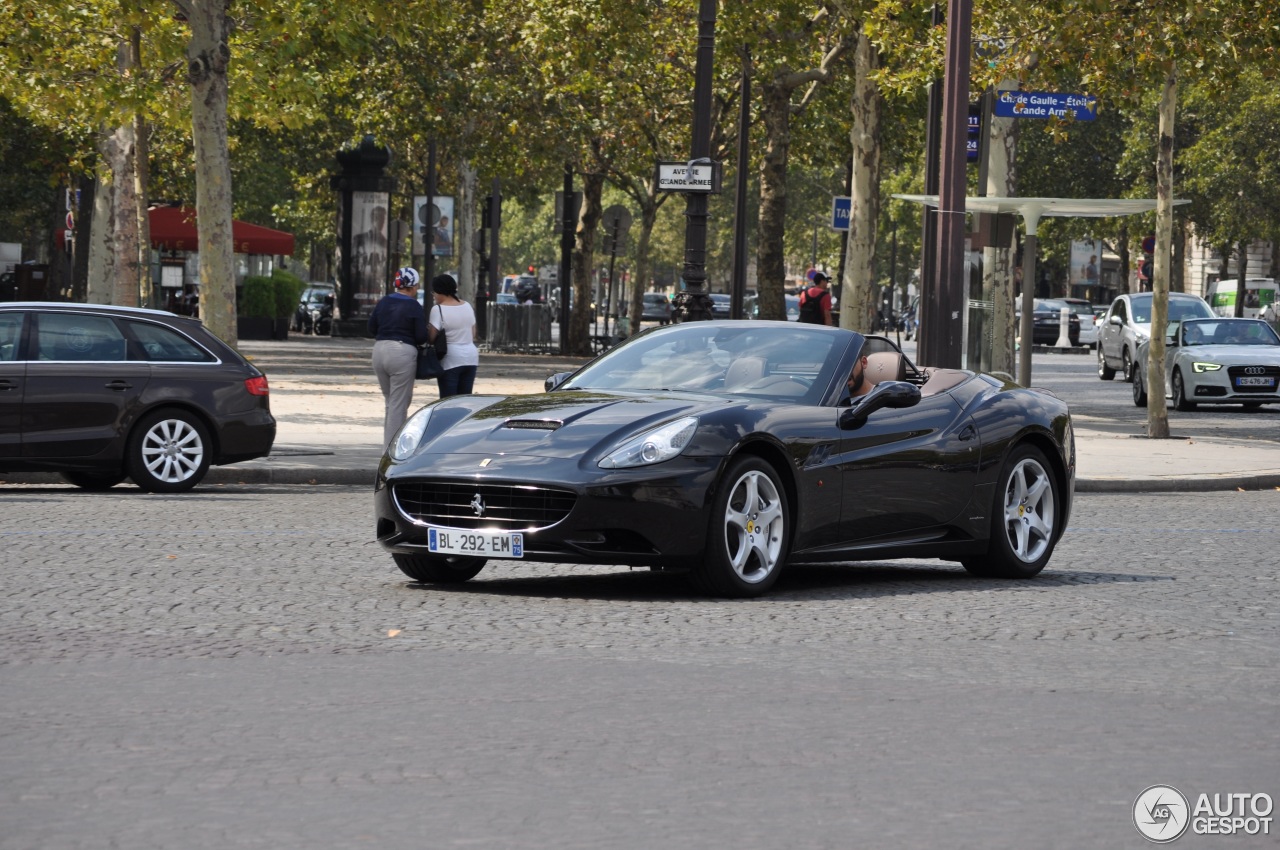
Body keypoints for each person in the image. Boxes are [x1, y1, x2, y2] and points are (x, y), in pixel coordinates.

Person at [368, 267, 428, 446]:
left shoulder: (384, 302)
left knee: (391, 401)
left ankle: (389, 444)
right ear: (412, 286)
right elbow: (421, 336)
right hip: (401, 352)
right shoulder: (413, 305)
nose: (417, 289)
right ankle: (392, 451)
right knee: (398, 404)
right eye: (416, 285)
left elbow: (371, 327)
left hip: (379, 351)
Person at [427, 273, 479, 397]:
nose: (433, 296)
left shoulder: (437, 309)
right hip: (471, 358)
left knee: (448, 401)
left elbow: (431, 338)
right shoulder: (467, 306)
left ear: (440, 291)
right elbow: (473, 333)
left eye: (433, 292)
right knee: (465, 399)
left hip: (451, 359)